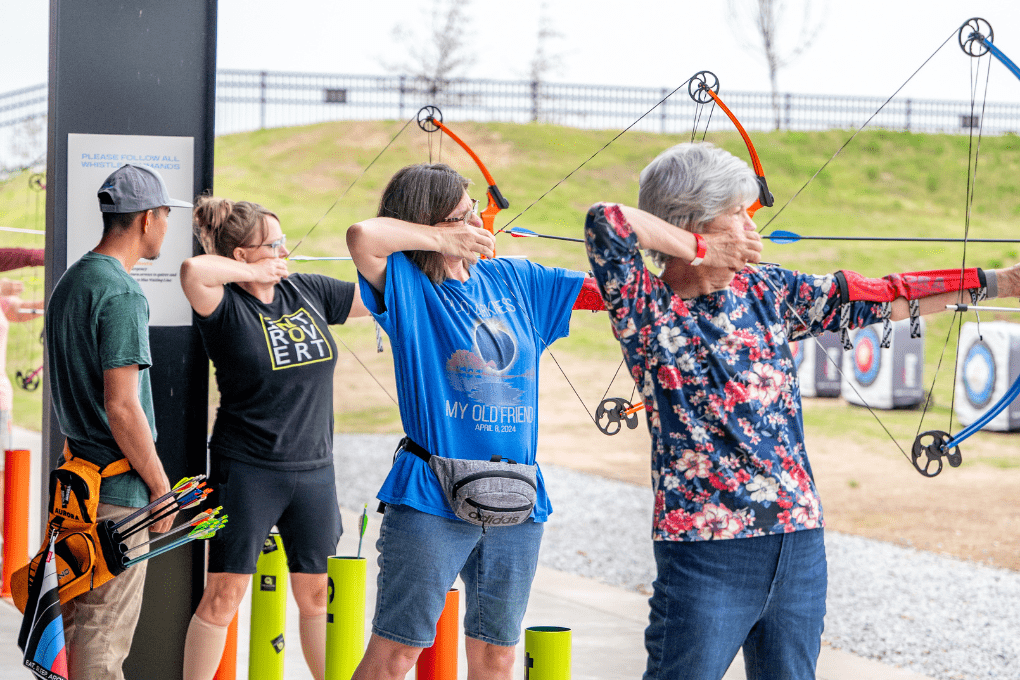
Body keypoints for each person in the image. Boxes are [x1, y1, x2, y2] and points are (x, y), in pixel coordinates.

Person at [583, 141, 1020, 680]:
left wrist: (1004, 282)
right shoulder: (648, 309)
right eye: (737, 213)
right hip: (705, 549)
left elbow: (882, 295)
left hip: (798, 540)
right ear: (694, 221)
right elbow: (607, 220)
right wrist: (703, 249)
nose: (751, 226)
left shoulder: (767, 289)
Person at [343, 162, 758, 680]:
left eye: (476, 214)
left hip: (517, 492)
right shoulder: (405, 283)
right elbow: (363, 235)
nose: (479, 226)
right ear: (428, 224)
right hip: (431, 492)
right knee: (398, 652)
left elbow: (608, 292)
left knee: (496, 653)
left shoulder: (518, 278)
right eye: (462, 218)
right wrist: (443, 239)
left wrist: (700, 258)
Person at [179, 196, 370, 680]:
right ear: (240, 255)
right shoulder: (224, 305)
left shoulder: (307, 291)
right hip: (246, 469)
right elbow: (192, 269)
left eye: (285, 240)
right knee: (225, 593)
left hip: (313, 470)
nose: (286, 251)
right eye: (274, 244)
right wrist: (252, 276)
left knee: (315, 594)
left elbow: (381, 296)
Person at [46, 163, 190, 679]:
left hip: (76, 488)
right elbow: (123, 406)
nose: (169, 228)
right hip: (117, 497)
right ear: (148, 218)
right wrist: (159, 486)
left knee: (75, 628)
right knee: (102, 640)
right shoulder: (123, 293)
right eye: (168, 216)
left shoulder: (73, 281)